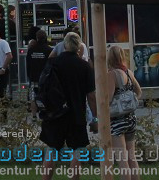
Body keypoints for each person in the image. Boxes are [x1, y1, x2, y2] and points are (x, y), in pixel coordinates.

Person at [38, 33, 95, 180]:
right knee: (77, 150)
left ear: (64, 45)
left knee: (52, 150)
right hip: (76, 114)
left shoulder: (53, 63)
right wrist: (95, 117)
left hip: (55, 113)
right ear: (79, 47)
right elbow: (91, 96)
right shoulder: (85, 67)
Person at [105, 45, 142, 177]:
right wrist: (129, 103)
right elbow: (139, 92)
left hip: (117, 121)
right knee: (132, 157)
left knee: (122, 159)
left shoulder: (111, 75)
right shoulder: (129, 72)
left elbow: (108, 99)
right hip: (131, 118)